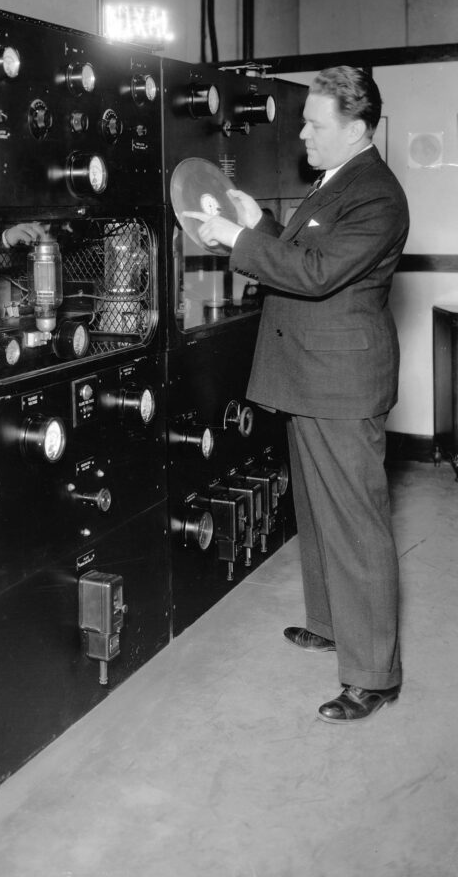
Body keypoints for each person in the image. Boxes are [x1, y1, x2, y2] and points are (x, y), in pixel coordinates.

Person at [189, 66, 410, 724]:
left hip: (341, 383)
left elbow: (315, 274)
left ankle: (374, 673)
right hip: (309, 375)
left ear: (357, 128)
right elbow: (303, 252)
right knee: (316, 513)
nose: (303, 133)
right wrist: (258, 223)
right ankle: (329, 622)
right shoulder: (333, 184)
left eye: (315, 124)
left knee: (356, 525)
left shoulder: (376, 195)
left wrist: (238, 239)